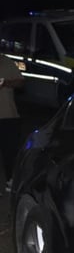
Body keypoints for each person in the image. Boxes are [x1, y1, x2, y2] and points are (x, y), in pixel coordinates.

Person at [0, 54, 24, 192]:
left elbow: (21, 82)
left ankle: (11, 181)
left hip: (8, 116)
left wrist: (5, 83)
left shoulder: (6, 61)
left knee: (10, 152)